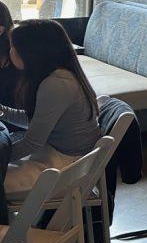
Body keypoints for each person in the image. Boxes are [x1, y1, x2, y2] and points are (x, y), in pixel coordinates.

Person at [1, 20, 101, 197]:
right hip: (60, 157)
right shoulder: (60, 75)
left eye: (13, 47)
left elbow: (31, 144)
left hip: (63, 168)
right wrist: (2, 111)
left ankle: (11, 225)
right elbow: (35, 119)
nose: (10, 52)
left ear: (32, 52)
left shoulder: (56, 85)